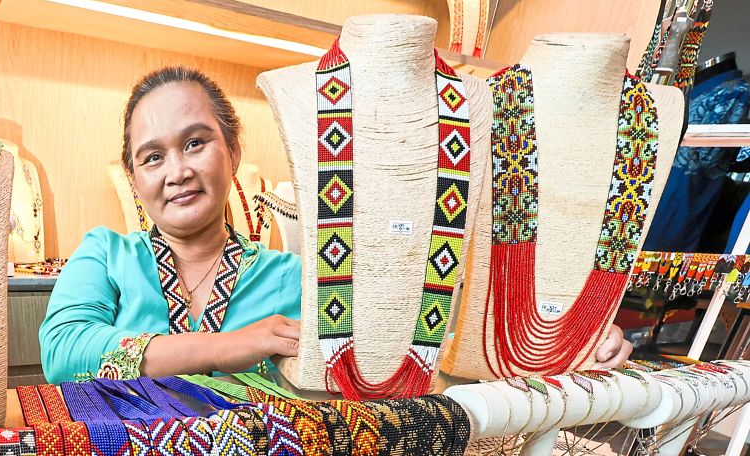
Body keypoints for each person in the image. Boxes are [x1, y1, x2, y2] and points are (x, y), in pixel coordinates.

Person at [37, 66, 632, 385]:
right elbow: (62, 354)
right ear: (135, 177)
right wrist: (234, 345)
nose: (177, 171)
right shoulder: (105, 254)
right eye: (152, 157)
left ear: (233, 152)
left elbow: (410, 331)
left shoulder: (291, 276)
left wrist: (570, 337)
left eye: (196, 143)